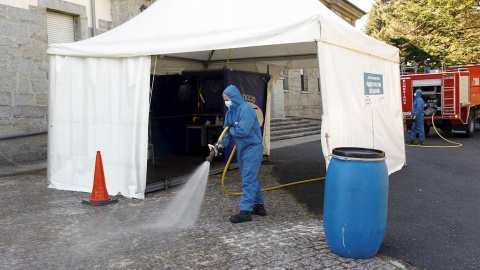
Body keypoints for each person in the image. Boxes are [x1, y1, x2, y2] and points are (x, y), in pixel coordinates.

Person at [211, 85, 267, 223]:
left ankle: (245, 212)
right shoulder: (231, 111)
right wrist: (220, 145)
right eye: (224, 99)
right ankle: (259, 206)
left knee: (248, 179)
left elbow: (242, 131)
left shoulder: (246, 110)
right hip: (242, 149)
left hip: (253, 148)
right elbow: (226, 130)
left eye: (227, 99)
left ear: (234, 97)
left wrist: (231, 131)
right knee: (250, 177)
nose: (226, 102)